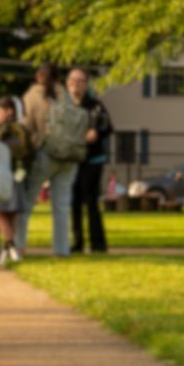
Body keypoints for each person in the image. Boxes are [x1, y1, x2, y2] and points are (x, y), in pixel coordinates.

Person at [19, 64, 82, 257]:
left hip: (45, 154)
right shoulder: (66, 95)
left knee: (27, 202)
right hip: (70, 155)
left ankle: (18, 246)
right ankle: (62, 250)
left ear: (38, 76)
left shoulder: (31, 96)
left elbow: (27, 128)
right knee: (62, 206)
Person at [66, 68, 112, 253]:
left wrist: (97, 132)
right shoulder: (64, 107)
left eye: (80, 80)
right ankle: (77, 243)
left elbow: (107, 127)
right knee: (74, 203)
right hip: (71, 160)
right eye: (73, 80)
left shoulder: (96, 106)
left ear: (86, 84)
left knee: (91, 201)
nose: (76, 84)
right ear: (67, 84)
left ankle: (98, 244)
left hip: (92, 160)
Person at [0, 96, 33, 264]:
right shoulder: (12, 129)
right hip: (9, 176)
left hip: (8, 176)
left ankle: (9, 247)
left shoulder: (12, 130)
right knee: (5, 213)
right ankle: (10, 248)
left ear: (9, 111)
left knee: (5, 213)